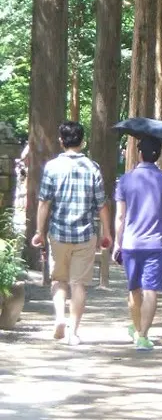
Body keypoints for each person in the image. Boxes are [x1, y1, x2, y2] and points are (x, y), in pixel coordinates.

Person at [32, 121, 111, 346]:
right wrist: (107, 233)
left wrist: (39, 231)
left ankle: (59, 318)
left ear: (61, 141)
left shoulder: (52, 167)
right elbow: (101, 204)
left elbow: (44, 203)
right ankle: (73, 332)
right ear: (82, 140)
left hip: (58, 233)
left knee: (58, 280)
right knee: (79, 284)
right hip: (85, 235)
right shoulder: (92, 167)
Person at [113, 136, 162, 350]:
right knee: (151, 290)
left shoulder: (125, 180)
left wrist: (117, 244)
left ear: (139, 153)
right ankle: (142, 335)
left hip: (130, 242)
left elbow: (120, 217)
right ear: (157, 155)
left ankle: (136, 327)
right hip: (156, 243)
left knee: (134, 289)